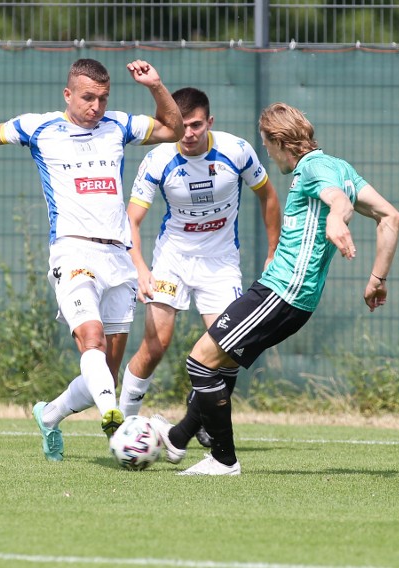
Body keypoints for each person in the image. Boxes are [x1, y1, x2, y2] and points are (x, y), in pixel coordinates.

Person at [0, 58, 184, 461]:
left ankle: (50, 414)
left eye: (103, 98)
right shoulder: (38, 127)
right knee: (89, 340)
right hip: (73, 249)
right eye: (88, 98)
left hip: (118, 255)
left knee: (106, 371)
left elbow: (173, 129)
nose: (96, 107)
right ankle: (115, 416)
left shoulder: (119, 126)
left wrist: (156, 86)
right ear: (68, 94)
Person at [152, 102, 399, 475]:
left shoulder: (313, 168)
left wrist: (336, 217)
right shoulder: (340, 166)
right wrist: (377, 279)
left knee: (200, 362)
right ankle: (177, 438)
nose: (265, 151)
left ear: (280, 141)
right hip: (289, 297)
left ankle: (223, 459)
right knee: (220, 363)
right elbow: (391, 216)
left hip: (283, 292)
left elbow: (338, 201)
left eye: (266, 143)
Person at [117, 87, 281, 450]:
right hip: (172, 260)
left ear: (210, 122)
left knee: (228, 349)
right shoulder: (159, 159)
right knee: (156, 344)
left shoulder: (236, 151)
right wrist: (141, 268)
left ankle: (202, 420)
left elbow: (268, 196)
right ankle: (124, 427)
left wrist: (272, 252)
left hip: (220, 264)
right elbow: (132, 219)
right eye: (182, 125)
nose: (188, 134)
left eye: (195, 125)